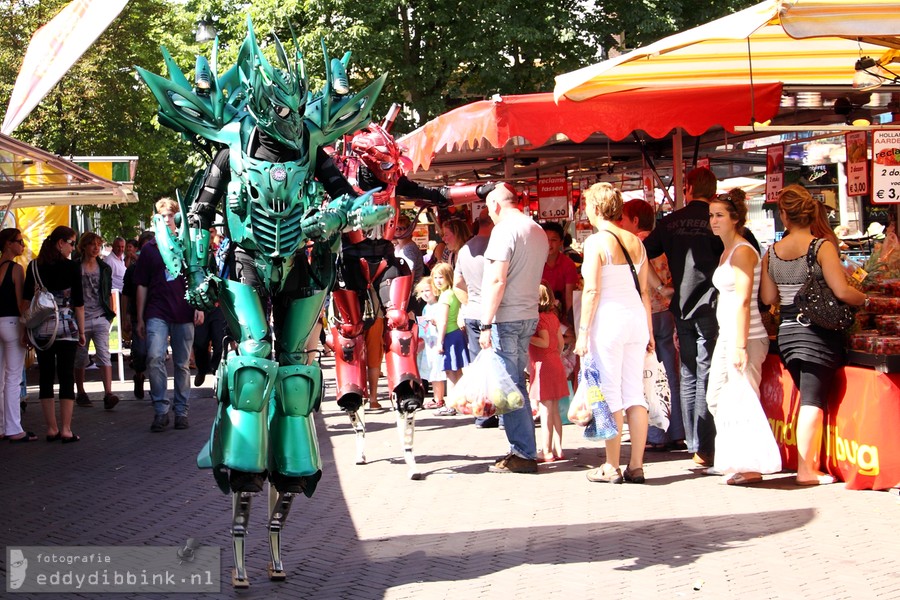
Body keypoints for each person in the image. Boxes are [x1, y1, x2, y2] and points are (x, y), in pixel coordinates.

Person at [760, 184, 866, 486]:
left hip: (789, 335)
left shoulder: (772, 253)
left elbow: (769, 298)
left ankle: (808, 466)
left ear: (784, 216)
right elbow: (842, 290)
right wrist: (865, 298)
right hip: (817, 335)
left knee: (808, 398)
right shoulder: (821, 247)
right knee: (812, 402)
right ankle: (808, 471)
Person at [643, 166, 723, 467]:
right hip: (711, 304)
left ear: (687, 188)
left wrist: (662, 288)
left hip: (680, 306)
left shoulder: (671, 222)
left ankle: (693, 442)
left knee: (690, 372)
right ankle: (704, 445)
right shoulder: (716, 220)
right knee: (706, 371)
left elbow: (640, 251)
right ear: (712, 190)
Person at [575, 183, 653, 484]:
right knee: (635, 393)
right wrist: (649, 331)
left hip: (608, 320)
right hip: (635, 319)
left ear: (595, 208)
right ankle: (637, 465)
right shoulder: (636, 242)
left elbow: (592, 290)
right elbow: (644, 290)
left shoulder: (597, 243)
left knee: (611, 393)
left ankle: (611, 465)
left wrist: (583, 332)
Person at [705, 191, 780, 485]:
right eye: (711, 215)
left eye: (720, 215)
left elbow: (745, 298)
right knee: (717, 399)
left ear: (735, 218)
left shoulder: (743, 251)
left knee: (743, 400)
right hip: (729, 336)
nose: (714, 220)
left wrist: (739, 344)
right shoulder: (728, 250)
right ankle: (734, 459)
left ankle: (751, 466)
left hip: (745, 337)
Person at [479, 183, 548, 474]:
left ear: (495, 205)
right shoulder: (536, 229)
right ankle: (522, 449)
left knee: (511, 386)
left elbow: (497, 280)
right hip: (528, 314)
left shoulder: (503, 231)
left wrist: (485, 322)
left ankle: (523, 452)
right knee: (516, 380)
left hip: (506, 317)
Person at [619, 199, 685, 451]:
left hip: (649, 314)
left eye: (623, 218)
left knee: (649, 375)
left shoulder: (638, 245)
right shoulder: (664, 243)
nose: (620, 223)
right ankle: (678, 429)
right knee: (670, 372)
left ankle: (658, 433)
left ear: (635, 220)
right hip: (668, 311)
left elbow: (641, 284)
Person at [134, 198, 203, 432]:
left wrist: (199, 306)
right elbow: (141, 285)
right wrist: (140, 317)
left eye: (170, 216)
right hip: (157, 312)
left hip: (184, 312)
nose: (166, 220)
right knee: (154, 357)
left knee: (182, 364)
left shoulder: (187, 245)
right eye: (162, 216)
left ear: (177, 217)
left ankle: (181, 410)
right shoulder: (149, 249)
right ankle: (161, 410)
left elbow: (197, 278)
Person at [22, 225, 85, 443]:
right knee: (67, 375)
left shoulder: (34, 267)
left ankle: (51, 428)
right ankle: (66, 429)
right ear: (60, 243)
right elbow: (79, 303)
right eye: (71, 242)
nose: (73, 247)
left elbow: (25, 301)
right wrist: (82, 331)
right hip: (67, 327)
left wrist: (26, 330)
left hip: (42, 330)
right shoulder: (72, 268)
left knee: (46, 376)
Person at [453, 207, 498, 428]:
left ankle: (482, 413)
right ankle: (503, 412)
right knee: (499, 364)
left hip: (473, 312)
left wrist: (469, 300)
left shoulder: (465, 250)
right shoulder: (497, 246)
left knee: (478, 364)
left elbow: (457, 283)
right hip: (495, 312)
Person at [73, 232, 119, 410]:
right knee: (80, 357)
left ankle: (108, 393)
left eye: (98, 245)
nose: (96, 248)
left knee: (104, 354)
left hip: (100, 316)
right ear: (83, 246)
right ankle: (81, 392)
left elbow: (108, 291)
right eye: (92, 244)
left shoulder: (104, 268)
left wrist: (110, 315)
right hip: (80, 318)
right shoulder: (75, 267)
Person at [529, 284, 568, 462]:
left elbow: (544, 342)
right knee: (554, 411)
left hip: (543, 365)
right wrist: (555, 354)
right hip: (555, 362)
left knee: (545, 411)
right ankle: (558, 449)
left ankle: (546, 450)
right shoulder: (553, 317)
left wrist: (528, 337)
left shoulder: (538, 319)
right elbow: (560, 343)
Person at [0, 228, 33, 442]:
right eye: (19, 241)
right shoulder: (16, 269)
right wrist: (27, 329)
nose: (22, 245)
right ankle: (13, 428)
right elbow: (22, 302)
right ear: (8, 244)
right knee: (13, 378)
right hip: (12, 323)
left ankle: (2, 426)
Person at [431, 262, 468, 415]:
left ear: (448, 278)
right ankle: (459, 402)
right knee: (457, 372)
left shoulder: (445, 295)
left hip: (449, 335)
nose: (438, 281)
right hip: (456, 334)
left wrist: (439, 342)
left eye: (441, 277)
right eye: (435, 278)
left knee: (450, 373)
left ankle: (451, 404)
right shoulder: (453, 293)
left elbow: (444, 321)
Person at [121, 231, 154, 399]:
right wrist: (125, 317)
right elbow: (125, 294)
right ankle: (139, 375)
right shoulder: (133, 269)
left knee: (156, 355)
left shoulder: (160, 266)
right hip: (137, 316)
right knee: (140, 352)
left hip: (157, 315)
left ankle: (156, 388)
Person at [415, 277, 447, 409]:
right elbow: (423, 329)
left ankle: (439, 398)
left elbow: (442, 322)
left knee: (436, 372)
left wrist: (434, 321)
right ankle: (436, 398)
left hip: (436, 342)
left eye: (427, 290)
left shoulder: (439, 306)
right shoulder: (425, 308)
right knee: (431, 372)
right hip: (428, 342)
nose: (425, 294)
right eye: (422, 292)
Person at [540, 222, 579, 322]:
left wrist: (570, 323)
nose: (549, 244)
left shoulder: (568, 264)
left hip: (561, 316)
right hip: (539, 314)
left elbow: (569, 297)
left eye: (553, 240)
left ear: (561, 242)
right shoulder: (535, 263)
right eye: (546, 239)